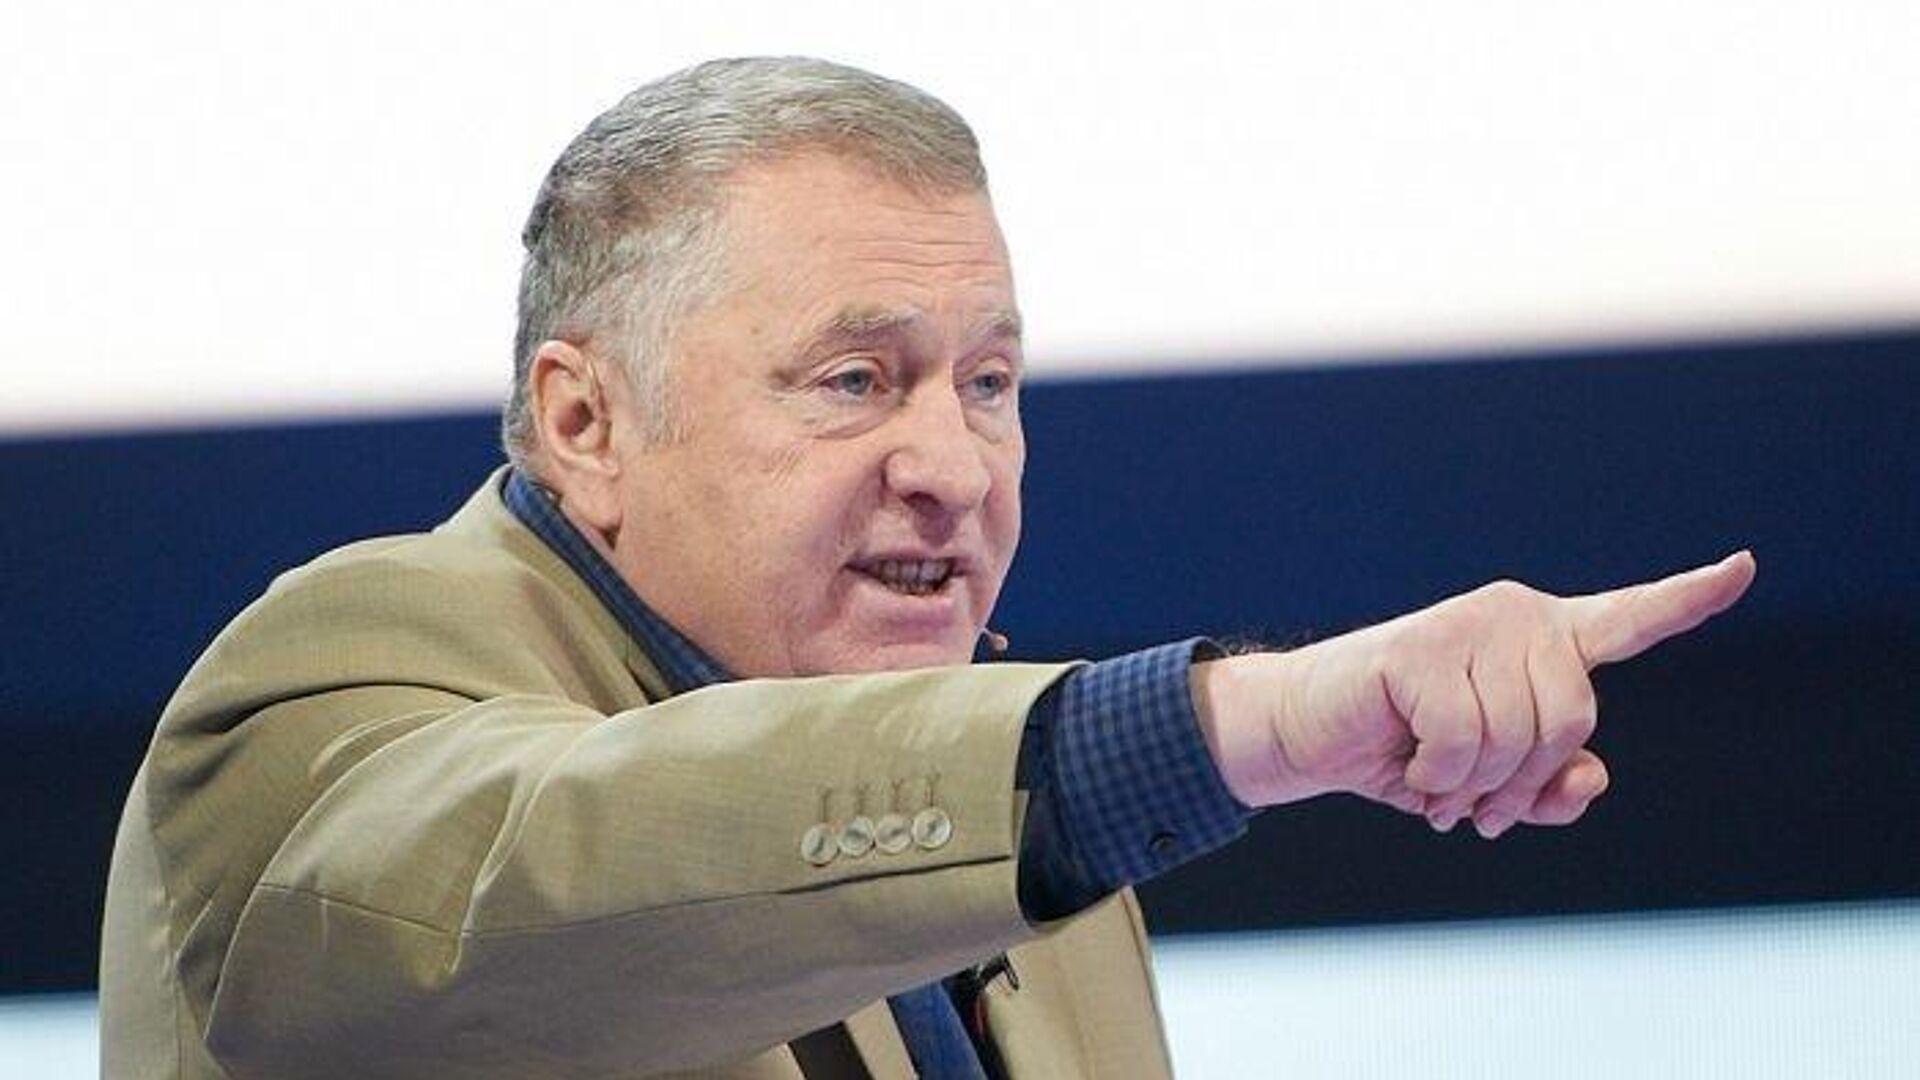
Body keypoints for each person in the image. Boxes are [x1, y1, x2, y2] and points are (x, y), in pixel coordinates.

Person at [100, 57, 1756, 1079]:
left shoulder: (1027, 816)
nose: (955, 468)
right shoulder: (342, 681)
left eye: (988, 382)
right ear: (586, 421)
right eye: (855, 379)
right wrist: (1241, 725)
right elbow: (569, 864)